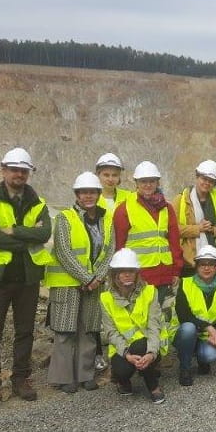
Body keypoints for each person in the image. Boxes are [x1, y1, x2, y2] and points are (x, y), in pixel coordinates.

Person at [0, 147, 51, 409]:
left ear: (29, 173)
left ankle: (21, 378)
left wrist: (14, 231)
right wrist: (27, 238)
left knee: (25, 331)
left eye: (23, 170)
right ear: (3, 170)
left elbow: (44, 235)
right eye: (14, 170)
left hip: (27, 278)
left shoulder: (39, 203)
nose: (19, 174)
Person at [43, 172, 114, 393]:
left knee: (88, 330)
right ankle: (63, 378)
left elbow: (110, 251)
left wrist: (97, 278)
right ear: (77, 194)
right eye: (83, 192)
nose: (88, 196)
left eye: (92, 192)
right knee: (65, 331)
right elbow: (63, 251)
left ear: (98, 194)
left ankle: (86, 374)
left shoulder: (106, 219)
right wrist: (87, 278)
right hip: (67, 283)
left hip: (94, 284)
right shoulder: (65, 218)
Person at [100, 248, 166, 404]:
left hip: (150, 346)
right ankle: (122, 381)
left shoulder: (150, 292)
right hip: (123, 349)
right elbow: (111, 332)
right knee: (122, 370)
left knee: (142, 345)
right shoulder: (106, 298)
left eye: (131, 271)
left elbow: (154, 326)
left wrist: (151, 353)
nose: (127, 274)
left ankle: (153, 386)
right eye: (122, 271)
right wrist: (127, 355)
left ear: (137, 273)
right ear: (114, 274)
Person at [113, 161, 183, 306]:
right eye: (143, 181)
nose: (148, 185)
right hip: (138, 276)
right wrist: (121, 274)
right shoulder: (124, 209)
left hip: (164, 274)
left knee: (162, 315)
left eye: (152, 181)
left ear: (158, 183)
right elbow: (119, 245)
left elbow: (174, 242)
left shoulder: (167, 208)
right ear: (136, 183)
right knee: (139, 314)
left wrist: (176, 270)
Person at [173, 245, 216, 386]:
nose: (207, 268)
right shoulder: (185, 283)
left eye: (211, 264)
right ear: (197, 266)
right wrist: (208, 327)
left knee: (209, 355)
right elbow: (183, 315)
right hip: (185, 333)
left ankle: (202, 360)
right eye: (202, 264)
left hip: (206, 337)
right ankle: (185, 367)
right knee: (188, 328)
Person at [93, 153, 130, 372]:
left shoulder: (128, 197)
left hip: (123, 260)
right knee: (98, 307)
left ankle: (123, 349)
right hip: (98, 261)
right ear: (98, 175)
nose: (110, 179)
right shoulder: (91, 197)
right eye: (106, 174)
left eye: (114, 175)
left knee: (122, 305)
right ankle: (97, 352)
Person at [176, 160, 216, 277]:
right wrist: (198, 229)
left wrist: (213, 230)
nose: (207, 183)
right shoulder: (181, 199)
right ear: (197, 177)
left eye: (211, 181)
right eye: (204, 179)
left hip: (213, 259)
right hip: (189, 261)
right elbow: (173, 230)